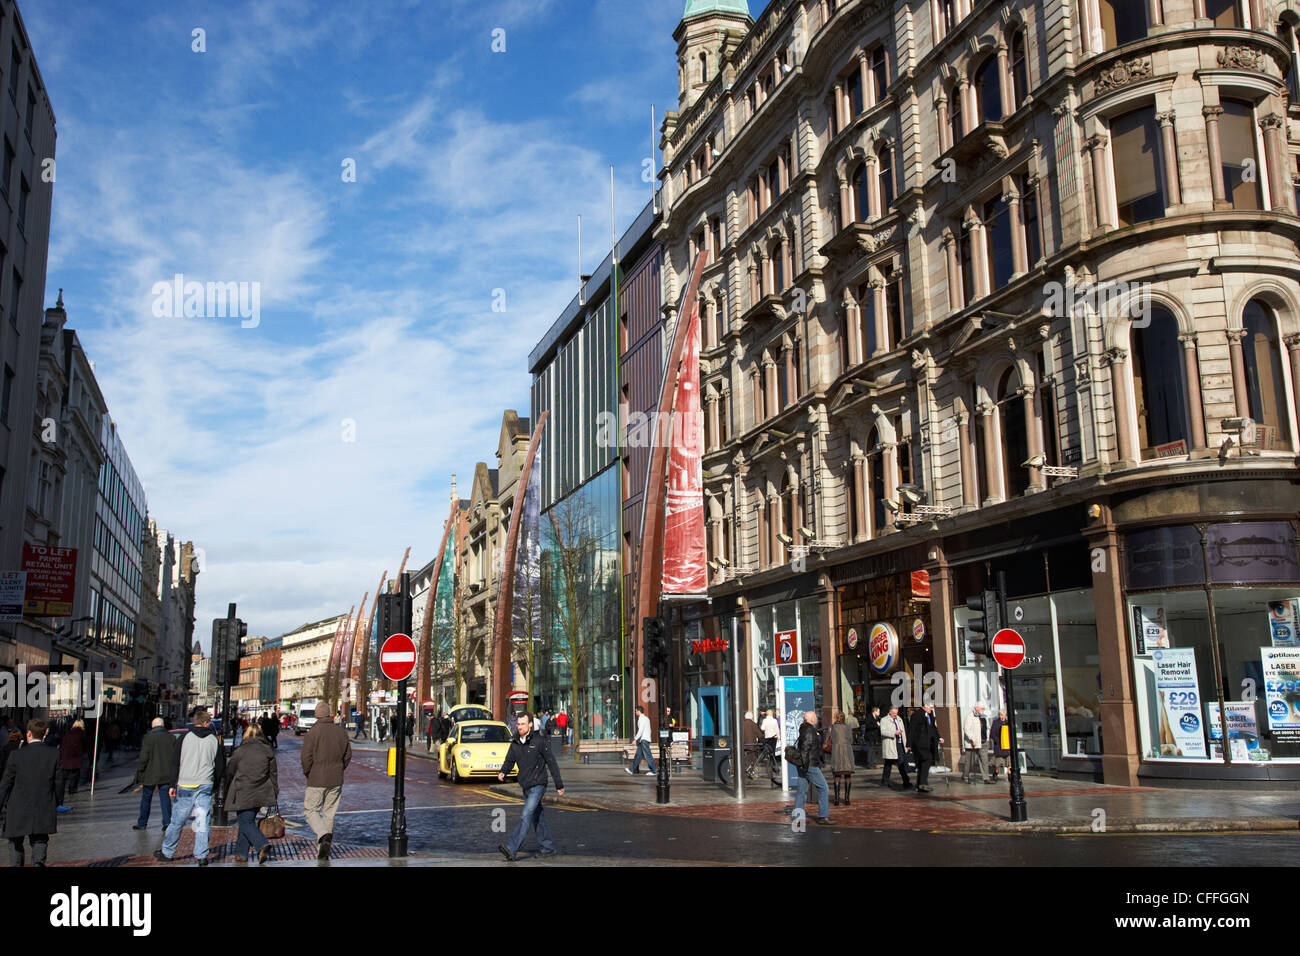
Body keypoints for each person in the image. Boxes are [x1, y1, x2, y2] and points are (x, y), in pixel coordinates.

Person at [157, 708, 224, 865]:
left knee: (177, 821)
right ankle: (201, 855)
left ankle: (167, 852)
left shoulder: (184, 738)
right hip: (205, 784)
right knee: (203, 821)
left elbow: (175, 762)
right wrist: (215, 784)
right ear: (206, 722)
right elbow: (220, 766)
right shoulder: (214, 740)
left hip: (186, 783)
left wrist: (172, 784)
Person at [496, 712, 564, 861]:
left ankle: (511, 848)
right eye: (518, 724)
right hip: (526, 784)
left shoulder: (539, 741)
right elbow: (509, 761)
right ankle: (548, 848)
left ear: (530, 725)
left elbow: (551, 762)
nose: (519, 727)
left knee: (526, 815)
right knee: (537, 817)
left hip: (538, 783)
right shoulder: (515, 743)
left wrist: (559, 784)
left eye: (522, 724)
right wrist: (503, 772)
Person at [0, 719, 59, 866]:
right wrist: (56, 802)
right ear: (45, 733)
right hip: (43, 805)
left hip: (17, 806)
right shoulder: (54, 754)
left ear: (28, 734)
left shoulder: (16, 755)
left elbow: (6, 783)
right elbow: (59, 782)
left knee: (15, 842)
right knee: (39, 840)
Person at [301, 698, 351, 861]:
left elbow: (306, 757)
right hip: (336, 778)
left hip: (316, 778)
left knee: (311, 810)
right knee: (329, 813)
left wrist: (308, 772)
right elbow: (348, 755)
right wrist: (340, 767)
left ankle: (323, 835)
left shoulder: (312, 733)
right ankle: (323, 849)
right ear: (329, 714)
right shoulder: (341, 732)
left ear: (316, 715)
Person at [223, 723, 279, 864]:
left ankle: (261, 844)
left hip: (243, 791)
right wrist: (274, 791)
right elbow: (273, 773)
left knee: (246, 822)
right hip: (261, 792)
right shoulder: (267, 750)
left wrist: (226, 786)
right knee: (246, 821)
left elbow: (230, 770)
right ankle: (241, 854)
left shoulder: (241, 750)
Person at [133, 717, 176, 831]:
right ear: (163, 726)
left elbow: (143, 757)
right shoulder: (171, 738)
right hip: (166, 774)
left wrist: (140, 770)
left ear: (152, 726)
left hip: (150, 774)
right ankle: (167, 822)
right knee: (165, 799)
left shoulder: (148, 738)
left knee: (146, 799)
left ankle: (142, 823)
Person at [789, 711, 831, 826]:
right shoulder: (809, 730)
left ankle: (798, 818)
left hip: (804, 765)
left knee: (801, 791)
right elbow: (805, 748)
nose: (817, 719)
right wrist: (805, 765)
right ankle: (823, 816)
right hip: (809, 765)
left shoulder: (805, 729)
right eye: (815, 717)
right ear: (812, 719)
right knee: (823, 788)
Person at [907, 702, 943, 793]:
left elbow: (933, 728)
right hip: (919, 743)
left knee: (922, 763)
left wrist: (938, 737)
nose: (932, 710)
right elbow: (911, 730)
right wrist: (909, 744)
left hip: (929, 743)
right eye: (930, 708)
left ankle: (920, 784)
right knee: (927, 759)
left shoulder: (930, 715)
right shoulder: (917, 715)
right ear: (925, 707)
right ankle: (923, 783)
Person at [56, 718, 86, 811]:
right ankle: (72, 789)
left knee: (64, 775)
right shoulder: (81, 733)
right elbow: (85, 744)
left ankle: (62, 790)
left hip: (65, 757)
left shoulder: (68, 732)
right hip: (76, 757)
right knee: (75, 773)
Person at [879, 705, 911, 789]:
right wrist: (894, 733)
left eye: (896, 713)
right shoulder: (884, 720)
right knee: (888, 763)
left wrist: (906, 745)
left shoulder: (899, 719)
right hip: (891, 745)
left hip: (900, 744)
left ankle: (906, 781)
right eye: (893, 713)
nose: (895, 715)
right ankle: (885, 781)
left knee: (901, 763)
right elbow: (883, 732)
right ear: (890, 712)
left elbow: (903, 733)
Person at [962, 702, 993, 784]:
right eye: (982, 709)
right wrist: (972, 739)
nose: (983, 710)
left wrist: (987, 737)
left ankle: (986, 778)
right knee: (969, 761)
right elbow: (966, 729)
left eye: (984, 709)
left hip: (983, 741)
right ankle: (965, 776)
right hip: (972, 743)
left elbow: (988, 728)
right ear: (977, 708)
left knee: (984, 760)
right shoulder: (970, 716)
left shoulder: (984, 717)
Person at [829, 710, 854, 806]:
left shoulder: (833, 727)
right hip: (847, 752)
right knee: (847, 775)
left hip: (837, 752)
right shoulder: (848, 727)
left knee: (837, 775)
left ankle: (836, 799)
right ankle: (847, 799)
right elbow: (851, 739)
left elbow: (831, 739)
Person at [626, 706, 657, 776]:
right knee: (638, 755)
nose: (635, 712)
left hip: (644, 740)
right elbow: (649, 730)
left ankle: (653, 770)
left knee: (648, 755)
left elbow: (640, 730)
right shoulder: (647, 718)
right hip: (645, 739)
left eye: (635, 711)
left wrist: (635, 739)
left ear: (638, 711)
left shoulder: (641, 719)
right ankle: (633, 770)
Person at [989, 708, 1011, 781]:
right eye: (1001, 715)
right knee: (998, 762)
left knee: (1009, 761)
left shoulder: (1008, 722)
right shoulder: (996, 722)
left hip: (1007, 745)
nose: (1002, 717)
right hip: (999, 746)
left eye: (1004, 715)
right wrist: (997, 740)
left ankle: (1009, 773)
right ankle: (996, 772)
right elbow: (992, 734)